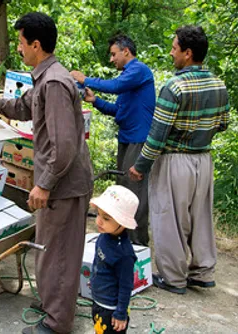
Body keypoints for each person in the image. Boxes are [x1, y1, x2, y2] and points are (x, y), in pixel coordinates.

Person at [0, 12, 93, 334]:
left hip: (64, 185)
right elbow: (23, 108)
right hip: (58, 182)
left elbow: (64, 147)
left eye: (20, 43)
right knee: (49, 249)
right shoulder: (44, 78)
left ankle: (57, 323)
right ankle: (52, 304)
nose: (18, 49)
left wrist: (44, 185)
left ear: (36, 44)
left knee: (59, 253)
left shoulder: (56, 83)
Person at [129, 26, 230, 294]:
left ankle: (173, 278)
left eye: (175, 47)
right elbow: (223, 124)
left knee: (169, 218)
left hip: (175, 160)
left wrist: (140, 166)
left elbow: (157, 135)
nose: (171, 52)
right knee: (201, 217)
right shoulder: (219, 85)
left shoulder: (174, 87)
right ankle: (203, 271)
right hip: (204, 160)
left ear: (188, 53)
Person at [71, 35, 155, 246]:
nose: (111, 59)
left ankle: (137, 244)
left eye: (113, 54)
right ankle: (122, 240)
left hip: (139, 140)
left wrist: (84, 79)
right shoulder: (129, 78)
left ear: (126, 51)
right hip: (126, 139)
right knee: (123, 192)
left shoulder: (138, 70)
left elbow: (115, 86)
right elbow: (118, 110)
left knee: (133, 194)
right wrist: (94, 100)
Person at [89, 185, 138, 334]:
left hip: (111, 310)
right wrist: (94, 278)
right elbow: (98, 260)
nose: (99, 221)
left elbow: (126, 285)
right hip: (98, 300)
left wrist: (120, 313)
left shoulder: (124, 254)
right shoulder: (104, 236)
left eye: (106, 218)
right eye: (98, 214)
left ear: (123, 223)